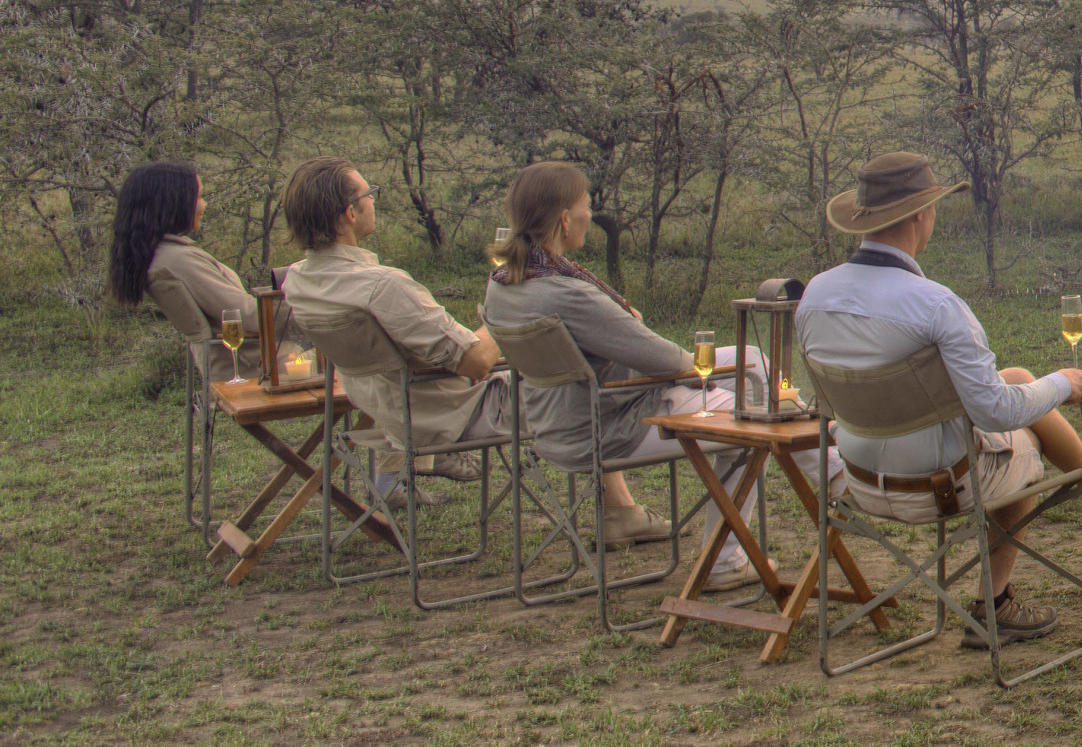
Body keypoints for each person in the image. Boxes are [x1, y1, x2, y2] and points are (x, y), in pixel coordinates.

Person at [797, 152, 1082, 648]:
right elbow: (995, 412)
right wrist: (1063, 382)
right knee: (1021, 440)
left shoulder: (814, 296)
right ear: (921, 215)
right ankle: (995, 601)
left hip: (859, 480)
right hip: (941, 486)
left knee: (1016, 378)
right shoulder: (936, 305)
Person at [484, 161, 830, 586]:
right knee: (750, 423)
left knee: (753, 358)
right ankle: (732, 556)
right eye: (586, 206)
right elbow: (668, 361)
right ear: (563, 219)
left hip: (554, 422)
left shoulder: (504, 282)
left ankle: (832, 471)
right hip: (607, 427)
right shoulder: (568, 294)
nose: (589, 215)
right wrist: (689, 366)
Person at [280, 157, 501, 495]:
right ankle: (612, 506)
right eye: (370, 194)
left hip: (382, 411)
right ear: (351, 213)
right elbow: (477, 361)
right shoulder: (383, 286)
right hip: (449, 414)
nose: (372, 202)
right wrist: (507, 308)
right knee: (583, 381)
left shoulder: (296, 281)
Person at [108, 161, 289, 381]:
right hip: (257, 362)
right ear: (173, 203)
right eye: (199, 197)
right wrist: (313, 311)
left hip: (239, 359)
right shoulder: (179, 260)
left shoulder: (164, 254)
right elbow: (246, 316)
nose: (204, 205)